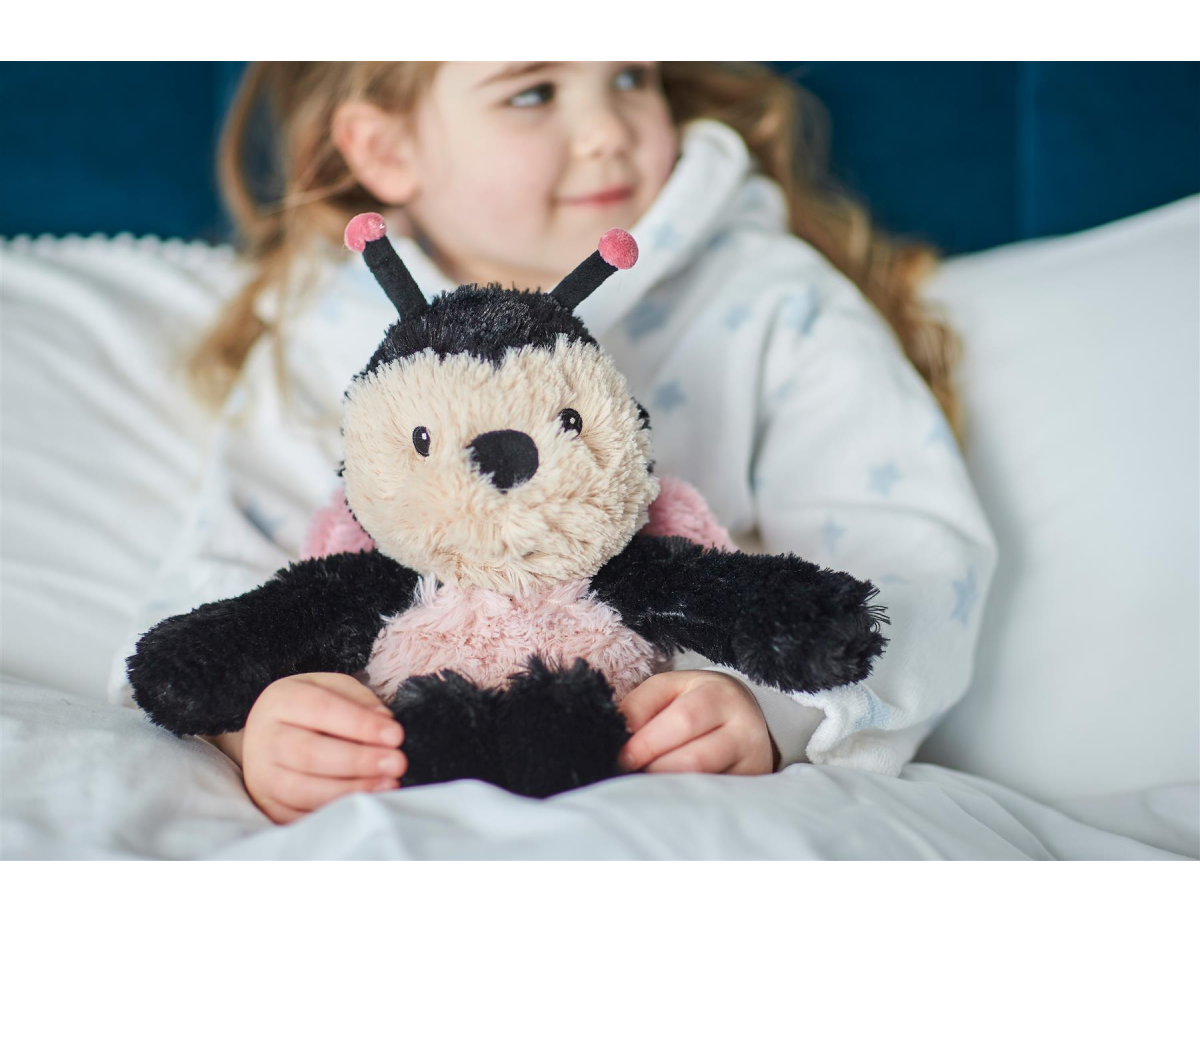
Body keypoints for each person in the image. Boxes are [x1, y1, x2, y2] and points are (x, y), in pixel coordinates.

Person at [108, 61, 997, 825]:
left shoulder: (768, 301)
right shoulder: (325, 333)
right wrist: (260, 720)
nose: (609, 130)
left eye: (630, 76)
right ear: (387, 149)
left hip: (662, 800)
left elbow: (908, 562)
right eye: (532, 93)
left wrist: (769, 716)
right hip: (413, 789)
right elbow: (220, 583)